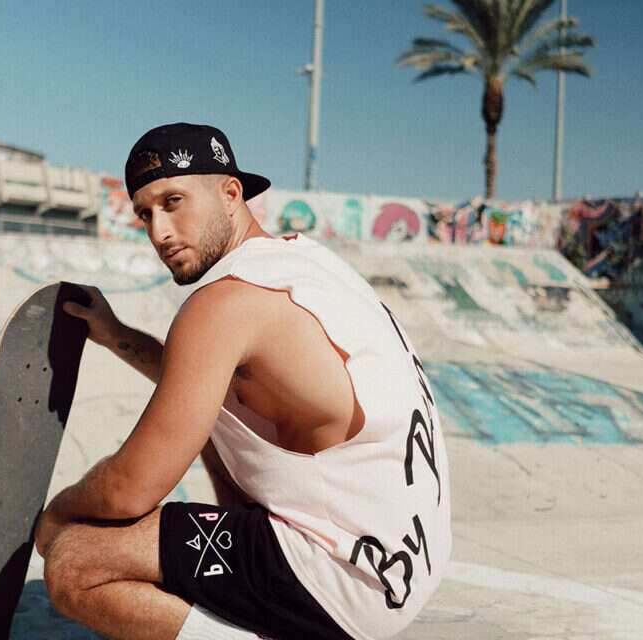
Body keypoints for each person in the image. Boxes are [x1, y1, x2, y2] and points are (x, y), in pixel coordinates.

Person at [34, 123, 451, 640]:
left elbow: (128, 489)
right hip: (407, 561)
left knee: (75, 562)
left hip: (345, 577)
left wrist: (56, 516)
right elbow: (204, 382)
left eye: (173, 202)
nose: (159, 232)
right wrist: (119, 336)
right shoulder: (302, 263)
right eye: (145, 213)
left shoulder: (221, 304)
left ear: (231, 194)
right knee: (211, 416)